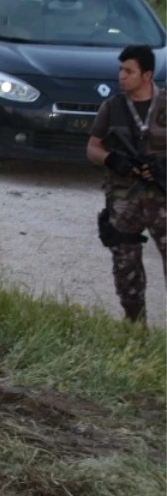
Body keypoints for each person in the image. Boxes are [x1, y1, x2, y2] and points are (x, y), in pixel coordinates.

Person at [86, 44, 167, 323]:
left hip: (161, 199)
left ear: (147, 74)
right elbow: (92, 147)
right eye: (121, 69)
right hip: (125, 199)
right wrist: (111, 160)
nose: (122, 76)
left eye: (129, 71)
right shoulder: (113, 107)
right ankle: (135, 327)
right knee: (125, 265)